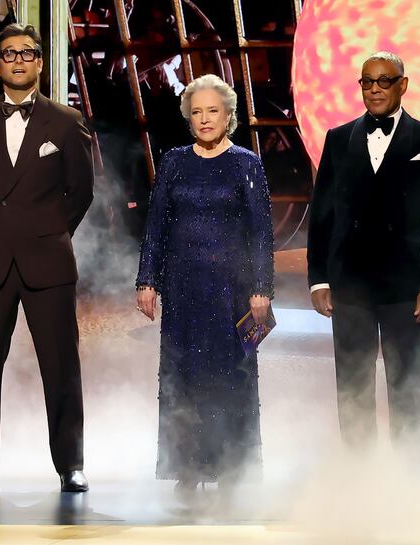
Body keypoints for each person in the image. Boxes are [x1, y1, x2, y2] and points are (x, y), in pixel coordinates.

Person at [0, 24, 94, 492]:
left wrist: (50, 231)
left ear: (39, 62)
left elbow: (82, 192)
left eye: (27, 53)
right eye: (8, 54)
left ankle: (71, 465)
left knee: (61, 367)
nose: (17, 60)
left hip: (48, 260)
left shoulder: (66, 121)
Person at [307, 52, 420, 460]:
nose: (374, 89)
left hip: (405, 286)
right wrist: (319, 278)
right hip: (349, 284)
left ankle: (409, 483)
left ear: (402, 85)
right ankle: (361, 480)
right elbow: (321, 215)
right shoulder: (338, 139)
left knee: (406, 385)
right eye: (367, 81)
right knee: (351, 386)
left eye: (384, 81)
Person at [136, 74, 275, 493]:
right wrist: (147, 280)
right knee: (184, 378)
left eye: (212, 110)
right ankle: (188, 469)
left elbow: (260, 233)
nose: (204, 119)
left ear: (228, 115)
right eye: (196, 112)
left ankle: (232, 469)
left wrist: (262, 288)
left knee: (230, 378)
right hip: (183, 291)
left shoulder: (246, 163)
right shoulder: (174, 162)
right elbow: (156, 224)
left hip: (232, 293)